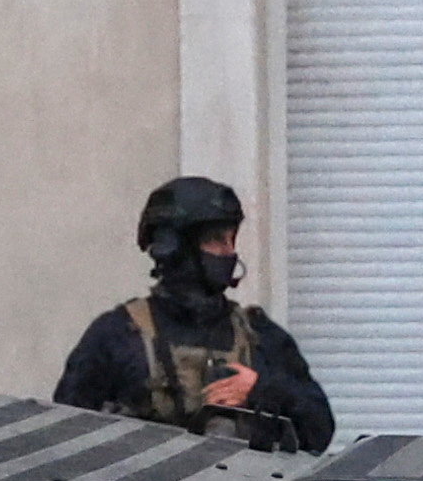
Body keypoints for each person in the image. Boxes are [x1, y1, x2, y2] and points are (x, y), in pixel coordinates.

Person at [53, 176, 337, 450]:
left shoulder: (259, 336)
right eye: (215, 240)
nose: (229, 252)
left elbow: (319, 430)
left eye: (231, 240)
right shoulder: (116, 336)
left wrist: (262, 392)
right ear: (175, 246)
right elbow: (64, 437)